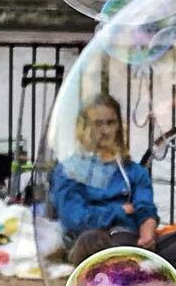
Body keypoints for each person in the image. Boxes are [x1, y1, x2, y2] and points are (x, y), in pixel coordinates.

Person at [51, 94, 159, 262]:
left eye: (111, 123)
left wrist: (147, 234)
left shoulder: (134, 171)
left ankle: (138, 258)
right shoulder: (68, 171)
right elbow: (74, 217)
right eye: (98, 124)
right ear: (84, 127)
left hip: (129, 238)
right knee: (93, 241)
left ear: (118, 126)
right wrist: (119, 211)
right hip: (89, 241)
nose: (105, 130)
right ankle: (133, 261)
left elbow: (145, 209)